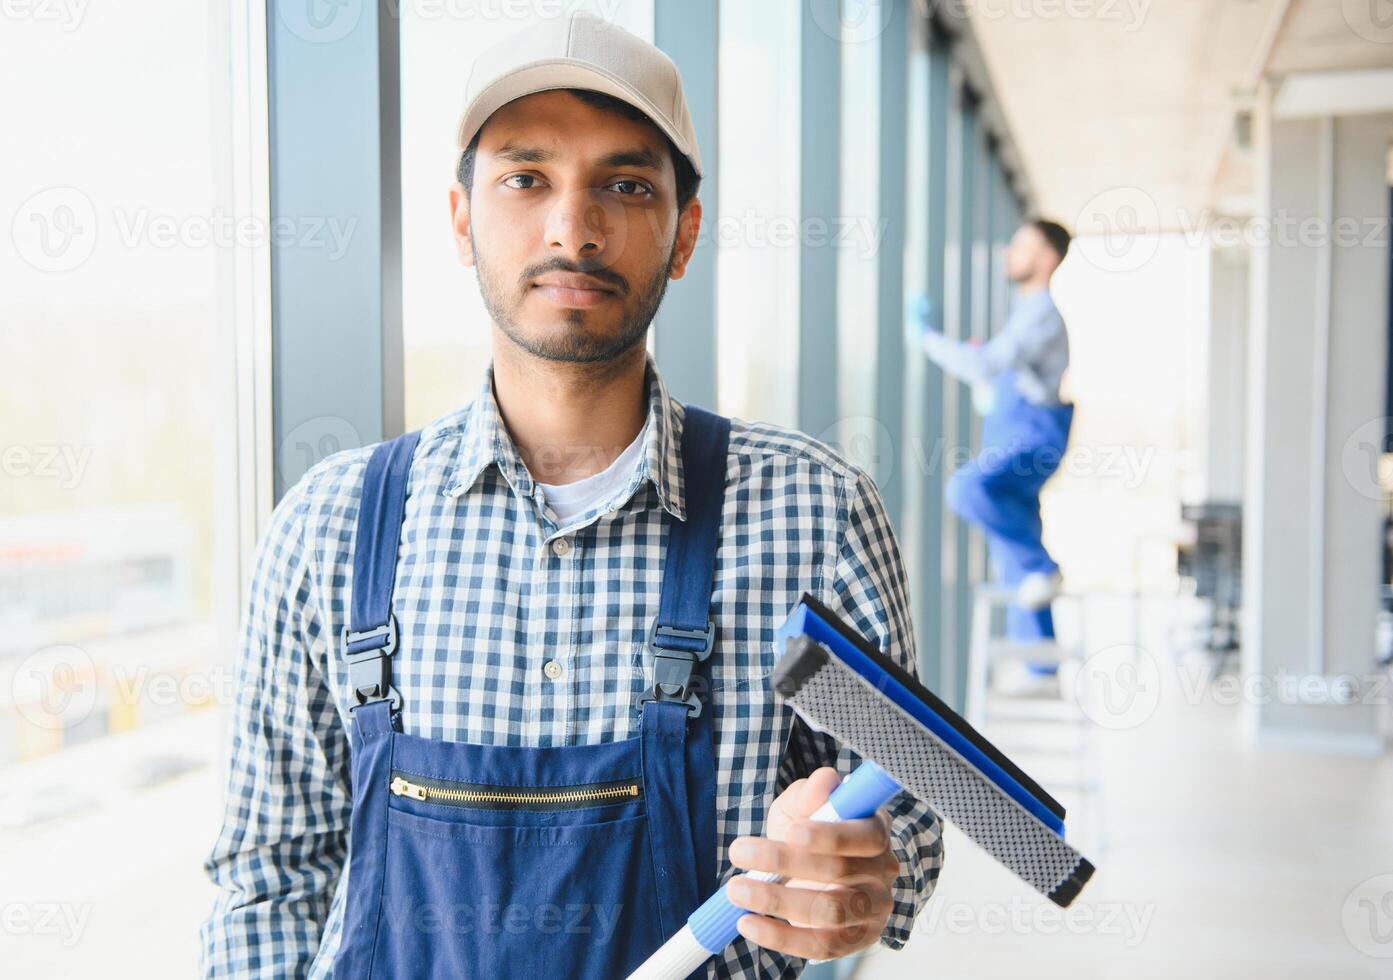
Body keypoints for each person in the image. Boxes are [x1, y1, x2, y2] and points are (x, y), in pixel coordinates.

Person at [198, 13, 941, 979]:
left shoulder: (815, 511)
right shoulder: (330, 527)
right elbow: (267, 875)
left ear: (684, 234)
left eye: (625, 185)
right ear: (462, 220)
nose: (571, 228)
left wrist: (859, 875)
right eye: (525, 178)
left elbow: (913, 826)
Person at [909, 220, 1074, 645]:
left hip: (1032, 438)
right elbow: (1005, 374)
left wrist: (926, 338)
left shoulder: (1039, 313)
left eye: (1022, 246)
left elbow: (986, 366)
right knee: (1012, 549)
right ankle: (1040, 665)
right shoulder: (1024, 314)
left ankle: (1044, 569)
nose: (1009, 253)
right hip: (1012, 434)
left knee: (966, 490)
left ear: (1047, 259)